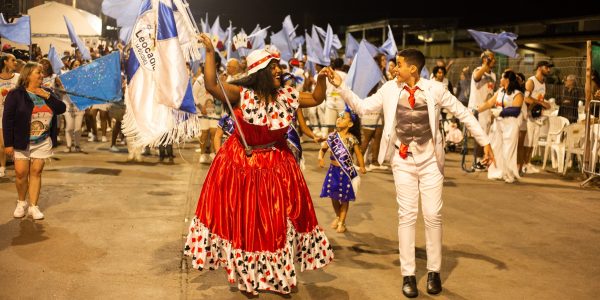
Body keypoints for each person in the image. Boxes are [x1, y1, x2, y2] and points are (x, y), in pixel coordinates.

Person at [328, 48, 493, 298]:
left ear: (412, 69)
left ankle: (434, 271)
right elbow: (361, 108)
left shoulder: (435, 89)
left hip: (430, 161)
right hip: (402, 159)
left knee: (433, 214)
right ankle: (408, 274)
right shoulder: (390, 89)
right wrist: (341, 86)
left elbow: (463, 113)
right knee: (406, 215)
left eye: (399, 64)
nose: (395, 68)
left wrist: (486, 142)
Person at [183, 33, 334, 295]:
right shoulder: (241, 94)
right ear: (260, 72)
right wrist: (209, 52)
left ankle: (280, 277)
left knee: (277, 226)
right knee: (247, 226)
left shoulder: (286, 96)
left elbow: (318, 98)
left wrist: (321, 78)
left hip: (278, 167)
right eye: (273, 68)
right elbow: (210, 84)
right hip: (243, 166)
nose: (279, 71)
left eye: (279, 67)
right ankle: (248, 279)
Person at [3, 62, 66, 220]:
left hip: (42, 141)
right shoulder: (15, 94)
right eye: (38, 72)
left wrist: (47, 96)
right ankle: (21, 202)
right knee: (20, 173)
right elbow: (7, 120)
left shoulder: (47, 92)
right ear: (28, 75)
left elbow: (61, 108)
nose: (42, 75)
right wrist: (8, 144)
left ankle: (33, 206)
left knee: (36, 172)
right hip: (21, 141)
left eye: (42, 72)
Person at [318, 108, 366, 233]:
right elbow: (323, 149)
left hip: (346, 173)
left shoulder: (352, 139)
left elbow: (359, 154)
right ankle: (338, 217)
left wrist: (362, 166)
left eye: (343, 118)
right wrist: (320, 158)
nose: (338, 119)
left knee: (344, 198)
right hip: (333, 171)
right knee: (333, 197)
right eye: (338, 117)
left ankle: (342, 223)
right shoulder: (332, 137)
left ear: (350, 124)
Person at [477, 70, 524, 183]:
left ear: (507, 79)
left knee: (508, 150)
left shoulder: (518, 93)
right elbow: (489, 103)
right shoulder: (500, 91)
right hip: (498, 124)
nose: (500, 80)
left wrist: (501, 112)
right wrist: (476, 110)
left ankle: (509, 174)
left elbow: (516, 110)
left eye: (502, 78)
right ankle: (498, 172)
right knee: (496, 147)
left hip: (511, 124)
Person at [468, 50, 497, 171]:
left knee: (486, 136)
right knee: (480, 135)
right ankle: (477, 161)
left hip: (487, 109)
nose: (494, 61)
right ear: (485, 59)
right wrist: (485, 63)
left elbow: (491, 93)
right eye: (492, 58)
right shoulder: (478, 70)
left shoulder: (493, 75)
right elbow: (476, 77)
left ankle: (482, 160)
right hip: (477, 109)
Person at [522, 61, 553, 174]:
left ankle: (528, 163)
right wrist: (541, 103)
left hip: (537, 115)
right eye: (547, 67)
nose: (549, 70)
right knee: (527, 141)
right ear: (539, 68)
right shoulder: (531, 81)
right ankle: (523, 164)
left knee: (533, 142)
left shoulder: (543, 83)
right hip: (529, 116)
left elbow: (538, 99)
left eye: (549, 68)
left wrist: (545, 103)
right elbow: (526, 98)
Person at [0, 54, 20, 178]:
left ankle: (19, 165)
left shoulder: (18, 78)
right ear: (5, 62)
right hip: (1, 114)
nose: (16, 62)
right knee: (2, 143)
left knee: (16, 143)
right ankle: (2, 166)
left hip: (17, 114)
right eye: (13, 60)